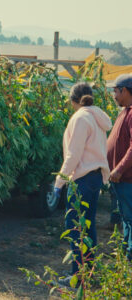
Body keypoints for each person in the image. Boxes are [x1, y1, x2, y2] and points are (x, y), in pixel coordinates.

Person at [54, 82, 112, 285]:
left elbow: (73, 154)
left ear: (73, 101)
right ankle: (88, 272)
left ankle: (77, 277)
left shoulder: (80, 118)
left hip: (82, 179)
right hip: (95, 178)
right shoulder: (98, 117)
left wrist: (59, 181)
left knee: (75, 226)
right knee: (88, 225)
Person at [107, 74, 132, 260]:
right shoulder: (125, 111)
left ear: (124, 90)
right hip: (120, 180)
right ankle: (126, 256)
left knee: (130, 219)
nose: (114, 95)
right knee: (126, 218)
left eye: (115, 91)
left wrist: (119, 169)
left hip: (127, 179)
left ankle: (129, 257)